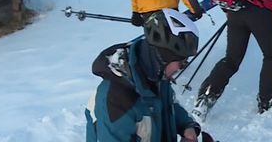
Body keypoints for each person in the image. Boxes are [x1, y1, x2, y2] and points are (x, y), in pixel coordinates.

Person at [85, 9, 201, 142]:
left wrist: (186, 126)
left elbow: (168, 105)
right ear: (163, 56)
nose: (182, 67)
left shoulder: (155, 75)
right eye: (181, 61)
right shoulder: (115, 99)